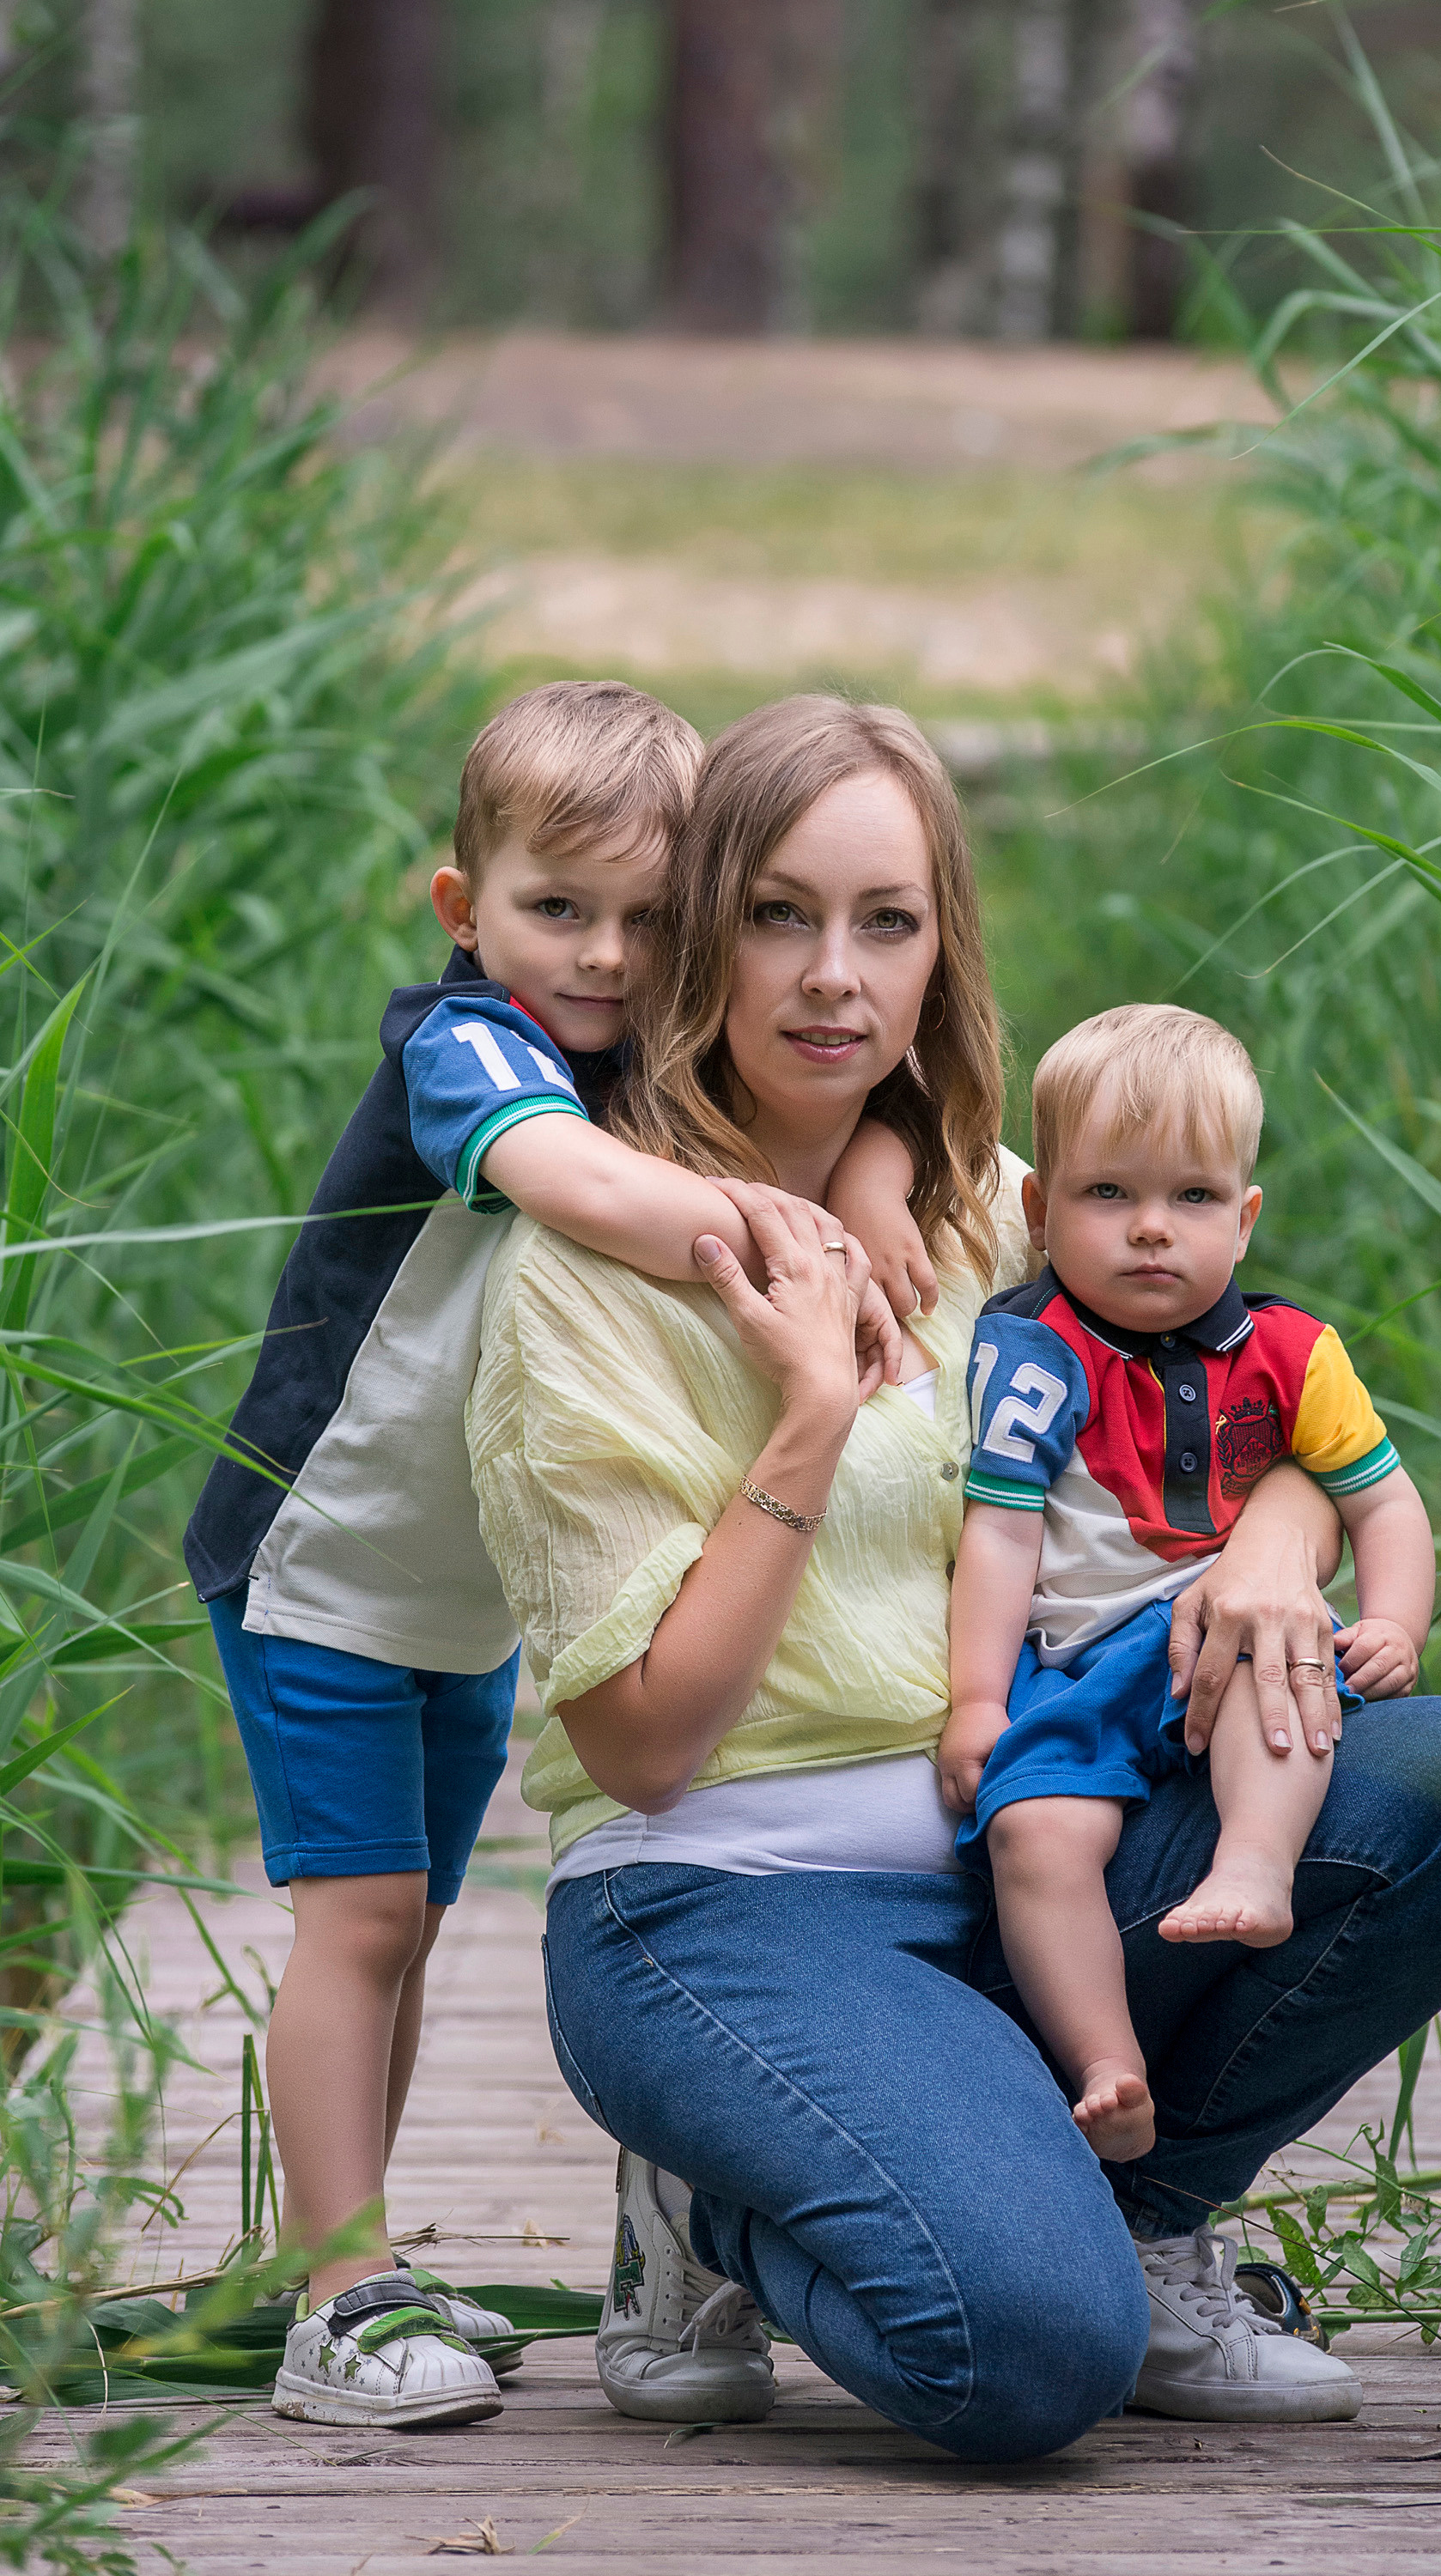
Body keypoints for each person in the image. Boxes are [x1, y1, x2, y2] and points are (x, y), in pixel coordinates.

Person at [470, 694, 1441, 2461]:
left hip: (1031, 1854)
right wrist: (811, 1412)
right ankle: (718, 2203)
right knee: (1030, 2358)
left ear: (940, 953)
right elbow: (646, 1747)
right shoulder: (579, 1279)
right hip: (724, 1903)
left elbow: (1267, 1399)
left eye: (886, 922)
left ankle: (1146, 2213)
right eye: (780, 914)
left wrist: (1275, 1547)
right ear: (701, 930)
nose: (834, 976)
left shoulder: (1003, 1209)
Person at [182, 682, 901, 2429]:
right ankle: (336, 2302)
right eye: (556, 908)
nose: (601, 955)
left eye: (649, 920)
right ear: (463, 906)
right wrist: (789, 1232)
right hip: (324, 1566)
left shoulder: (636, 1064)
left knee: (411, 1925)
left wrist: (869, 1180)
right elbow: (578, 1186)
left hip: (456, 1599)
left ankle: (346, 2259)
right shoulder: (470, 1049)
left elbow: (841, 1120)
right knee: (358, 1921)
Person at [939, 1003, 1437, 2166]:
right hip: (1072, 1662)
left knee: (1281, 1686)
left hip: (1222, 1624)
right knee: (1034, 1834)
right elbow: (999, 1536)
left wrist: (1398, 1620)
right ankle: (1106, 2066)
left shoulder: (1295, 1353)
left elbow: (1385, 1503)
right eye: (1108, 1194)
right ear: (1039, 1210)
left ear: (1246, 1218)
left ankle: (1254, 1866)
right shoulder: (1033, 1353)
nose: (1152, 1229)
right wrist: (976, 1701)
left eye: (1194, 1197)